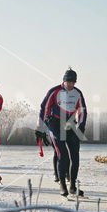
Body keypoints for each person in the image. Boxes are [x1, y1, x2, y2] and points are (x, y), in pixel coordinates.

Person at [36, 68, 87, 197]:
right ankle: (62, 184)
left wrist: (81, 126)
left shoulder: (77, 93)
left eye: (73, 82)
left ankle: (73, 185)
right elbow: (44, 108)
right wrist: (40, 128)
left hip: (70, 124)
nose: (70, 85)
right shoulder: (54, 91)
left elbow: (82, 111)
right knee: (62, 154)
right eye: (68, 82)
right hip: (55, 124)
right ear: (64, 81)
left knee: (75, 155)